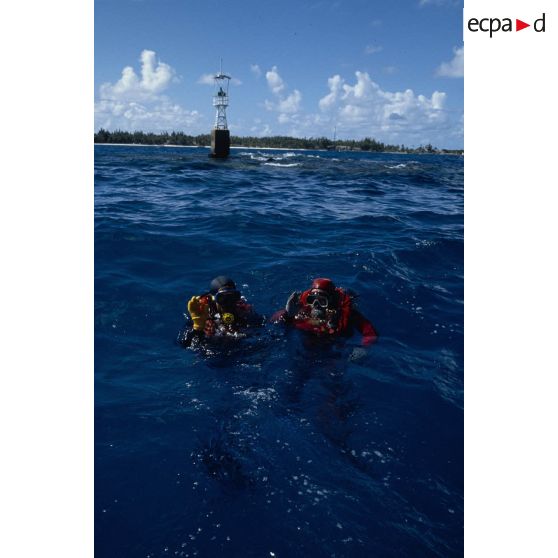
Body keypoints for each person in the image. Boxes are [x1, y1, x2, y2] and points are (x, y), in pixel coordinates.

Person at [271, 278, 378, 346]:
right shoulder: (302, 309)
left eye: (322, 301)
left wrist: (363, 348)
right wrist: (288, 314)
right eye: (312, 300)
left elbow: (370, 333)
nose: (316, 305)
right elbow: (273, 320)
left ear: (331, 302)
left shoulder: (346, 314)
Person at [180, 276, 262, 346]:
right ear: (213, 300)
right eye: (222, 298)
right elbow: (185, 345)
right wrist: (198, 328)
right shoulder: (203, 316)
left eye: (232, 297)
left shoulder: (243, 311)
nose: (228, 304)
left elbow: (260, 331)